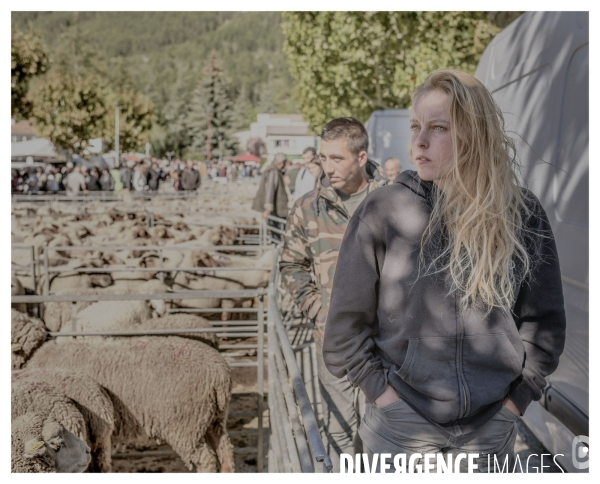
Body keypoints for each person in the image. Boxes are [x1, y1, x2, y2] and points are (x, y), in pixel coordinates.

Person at [322, 69, 567, 473]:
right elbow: (343, 332)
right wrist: (384, 397)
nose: (419, 141)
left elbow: (545, 325)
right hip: (401, 430)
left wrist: (515, 402)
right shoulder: (383, 211)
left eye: (438, 128)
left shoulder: (520, 212)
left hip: (490, 432)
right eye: (416, 126)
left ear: (476, 134)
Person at [279, 118, 388, 472]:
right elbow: (291, 266)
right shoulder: (308, 207)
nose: (328, 167)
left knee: (383, 433)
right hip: (335, 343)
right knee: (340, 432)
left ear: (361, 157)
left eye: (337, 159)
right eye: (324, 158)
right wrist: (321, 313)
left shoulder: (393, 201)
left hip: (388, 346)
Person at [252, 152, 289, 241]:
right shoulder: (273, 171)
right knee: (276, 232)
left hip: (277, 208)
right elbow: (270, 189)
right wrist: (268, 208)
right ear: (281, 162)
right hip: (276, 209)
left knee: (277, 231)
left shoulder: (275, 170)